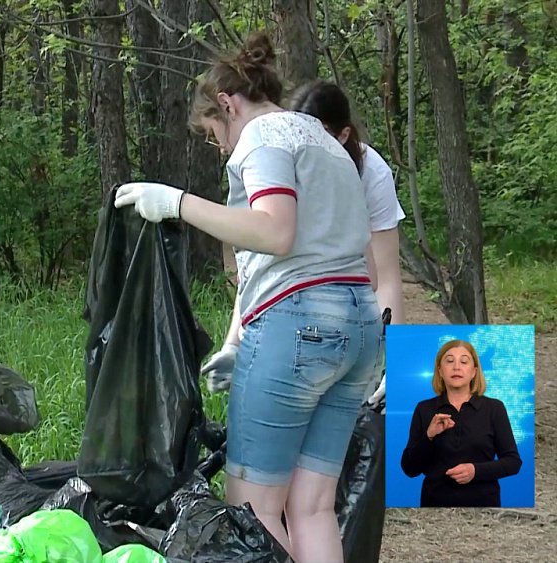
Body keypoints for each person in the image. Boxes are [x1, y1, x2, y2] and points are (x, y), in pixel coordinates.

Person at [113, 32, 382, 562]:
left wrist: (176, 203)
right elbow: (348, 257)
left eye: (216, 135)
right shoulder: (325, 140)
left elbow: (273, 232)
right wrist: (240, 342)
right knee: (312, 507)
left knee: (252, 511)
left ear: (229, 105)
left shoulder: (263, 137)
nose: (223, 149)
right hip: (359, 329)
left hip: (297, 330)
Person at [288, 80, 408, 408]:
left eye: (321, 137)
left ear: (343, 135)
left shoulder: (372, 173)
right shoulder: (281, 167)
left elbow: (385, 277)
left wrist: (395, 361)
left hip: (355, 301)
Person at [400, 340, 522, 507]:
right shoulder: (424, 409)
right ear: (440, 371)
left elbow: (513, 462)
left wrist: (476, 471)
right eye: (449, 361)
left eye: (464, 361)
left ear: (474, 372)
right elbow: (409, 469)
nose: (456, 367)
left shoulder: (494, 408)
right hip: (435, 506)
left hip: (484, 506)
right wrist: (429, 436)